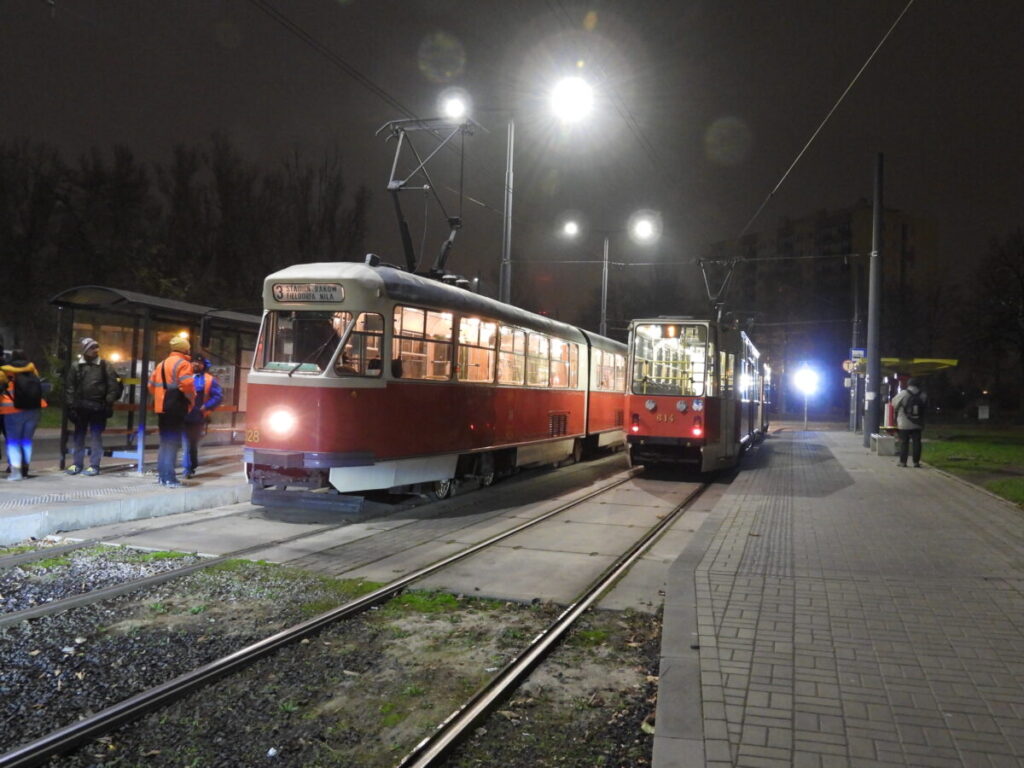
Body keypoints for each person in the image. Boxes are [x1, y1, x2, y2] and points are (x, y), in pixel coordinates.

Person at [66, 338, 122, 476]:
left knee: (96, 436)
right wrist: (71, 406)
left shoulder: (104, 365)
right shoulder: (76, 366)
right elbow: (70, 387)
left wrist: (108, 402)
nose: (95, 350)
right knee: (79, 436)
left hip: (98, 407)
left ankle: (94, 465)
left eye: (97, 347)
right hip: (81, 407)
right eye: (92, 347)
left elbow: (113, 386)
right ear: (85, 350)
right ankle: (77, 464)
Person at [148, 336, 195, 487]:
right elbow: (187, 386)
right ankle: (169, 477)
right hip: (176, 407)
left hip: (162, 407)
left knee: (165, 442)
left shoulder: (161, 364)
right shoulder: (184, 364)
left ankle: (162, 475)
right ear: (185, 349)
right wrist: (191, 400)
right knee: (173, 443)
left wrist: (161, 396)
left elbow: (151, 385)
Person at [1, 349, 47, 481]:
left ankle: (16, 472)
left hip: (12, 410)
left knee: (13, 442)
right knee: (26, 441)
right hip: (33, 410)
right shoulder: (32, 370)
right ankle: (25, 469)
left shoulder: (5, 371)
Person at [182, 356, 223, 478]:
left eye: (198, 363)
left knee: (191, 443)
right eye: (194, 362)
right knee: (187, 443)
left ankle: (191, 466)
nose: (195, 364)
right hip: (183, 415)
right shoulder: (184, 376)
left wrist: (206, 406)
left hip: (198, 416)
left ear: (203, 365)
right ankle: (187, 468)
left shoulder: (209, 380)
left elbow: (218, 396)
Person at [891, 377, 927, 468]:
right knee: (917, 442)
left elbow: (893, 403)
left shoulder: (903, 393)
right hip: (918, 423)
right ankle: (916, 462)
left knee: (904, 442)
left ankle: (903, 462)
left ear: (908, 384)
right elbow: (925, 407)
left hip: (904, 423)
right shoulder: (923, 395)